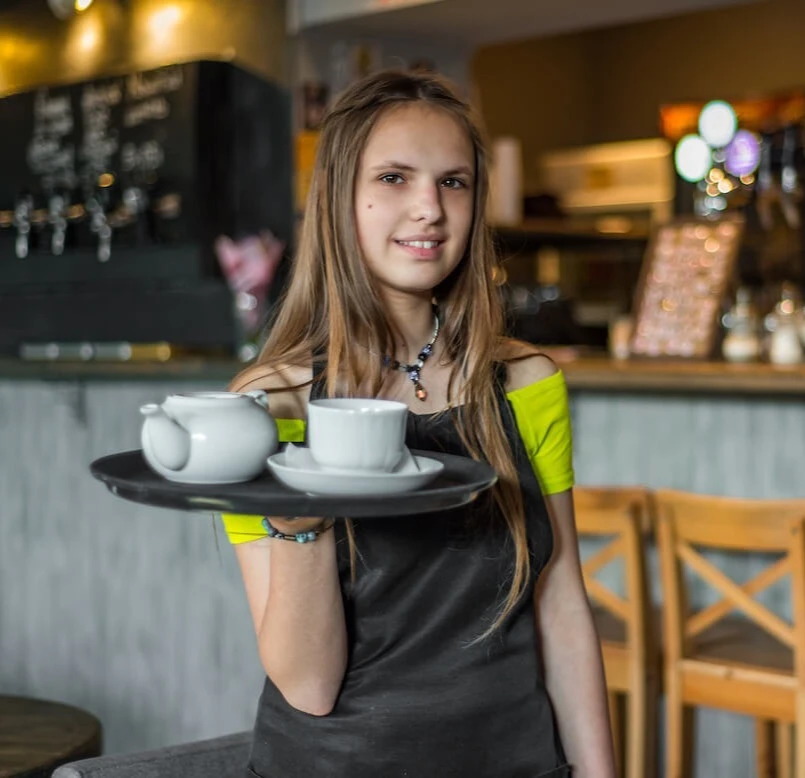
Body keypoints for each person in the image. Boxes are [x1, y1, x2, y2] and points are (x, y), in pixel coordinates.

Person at [221, 69, 615, 778]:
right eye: (396, 177)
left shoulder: (527, 381)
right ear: (340, 196)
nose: (430, 208)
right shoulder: (268, 404)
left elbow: (559, 603)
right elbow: (308, 686)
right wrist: (296, 510)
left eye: (453, 182)